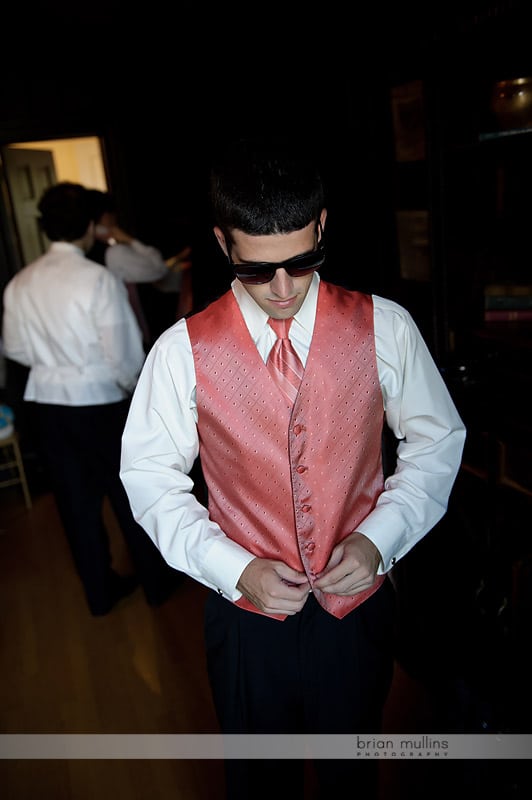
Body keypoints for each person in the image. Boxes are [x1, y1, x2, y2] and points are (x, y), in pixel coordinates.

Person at [119, 137, 467, 798]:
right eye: (258, 269)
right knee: (258, 783)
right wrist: (235, 568)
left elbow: (436, 441)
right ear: (224, 243)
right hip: (247, 621)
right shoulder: (180, 352)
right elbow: (151, 479)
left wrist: (379, 538)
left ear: (323, 226)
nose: (282, 289)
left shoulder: (384, 326)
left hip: (357, 610)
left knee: (351, 777)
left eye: (302, 263)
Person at [2, 181, 182, 616]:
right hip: (100, 405)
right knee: (128, 495)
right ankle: (156, 585)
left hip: (47, 408)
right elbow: (124, 357)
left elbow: (16, 349)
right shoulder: (97, 279)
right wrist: (132, 393)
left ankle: (100, 595)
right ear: (88, 225)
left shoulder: (20, 283)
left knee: (75, 505)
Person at [86, 189, 193, 348]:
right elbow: (157, 268)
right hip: (124, 328)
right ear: (105, 217)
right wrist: (130, 240)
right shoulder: (115, 252)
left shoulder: (88, 253)